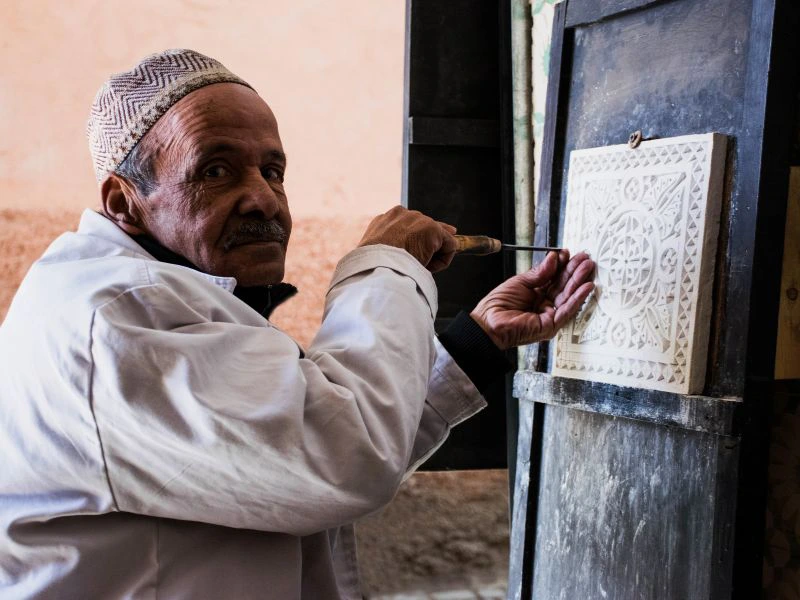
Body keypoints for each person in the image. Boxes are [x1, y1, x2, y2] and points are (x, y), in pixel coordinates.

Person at [0, 49, 594, 599]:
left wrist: (477, 340)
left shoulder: (146, 297)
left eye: (274, 170)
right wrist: (384, 266)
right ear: (126, 203)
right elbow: (342, 456)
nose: (264, 199)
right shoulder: (117, 319)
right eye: (216, 171)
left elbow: (299, 441)